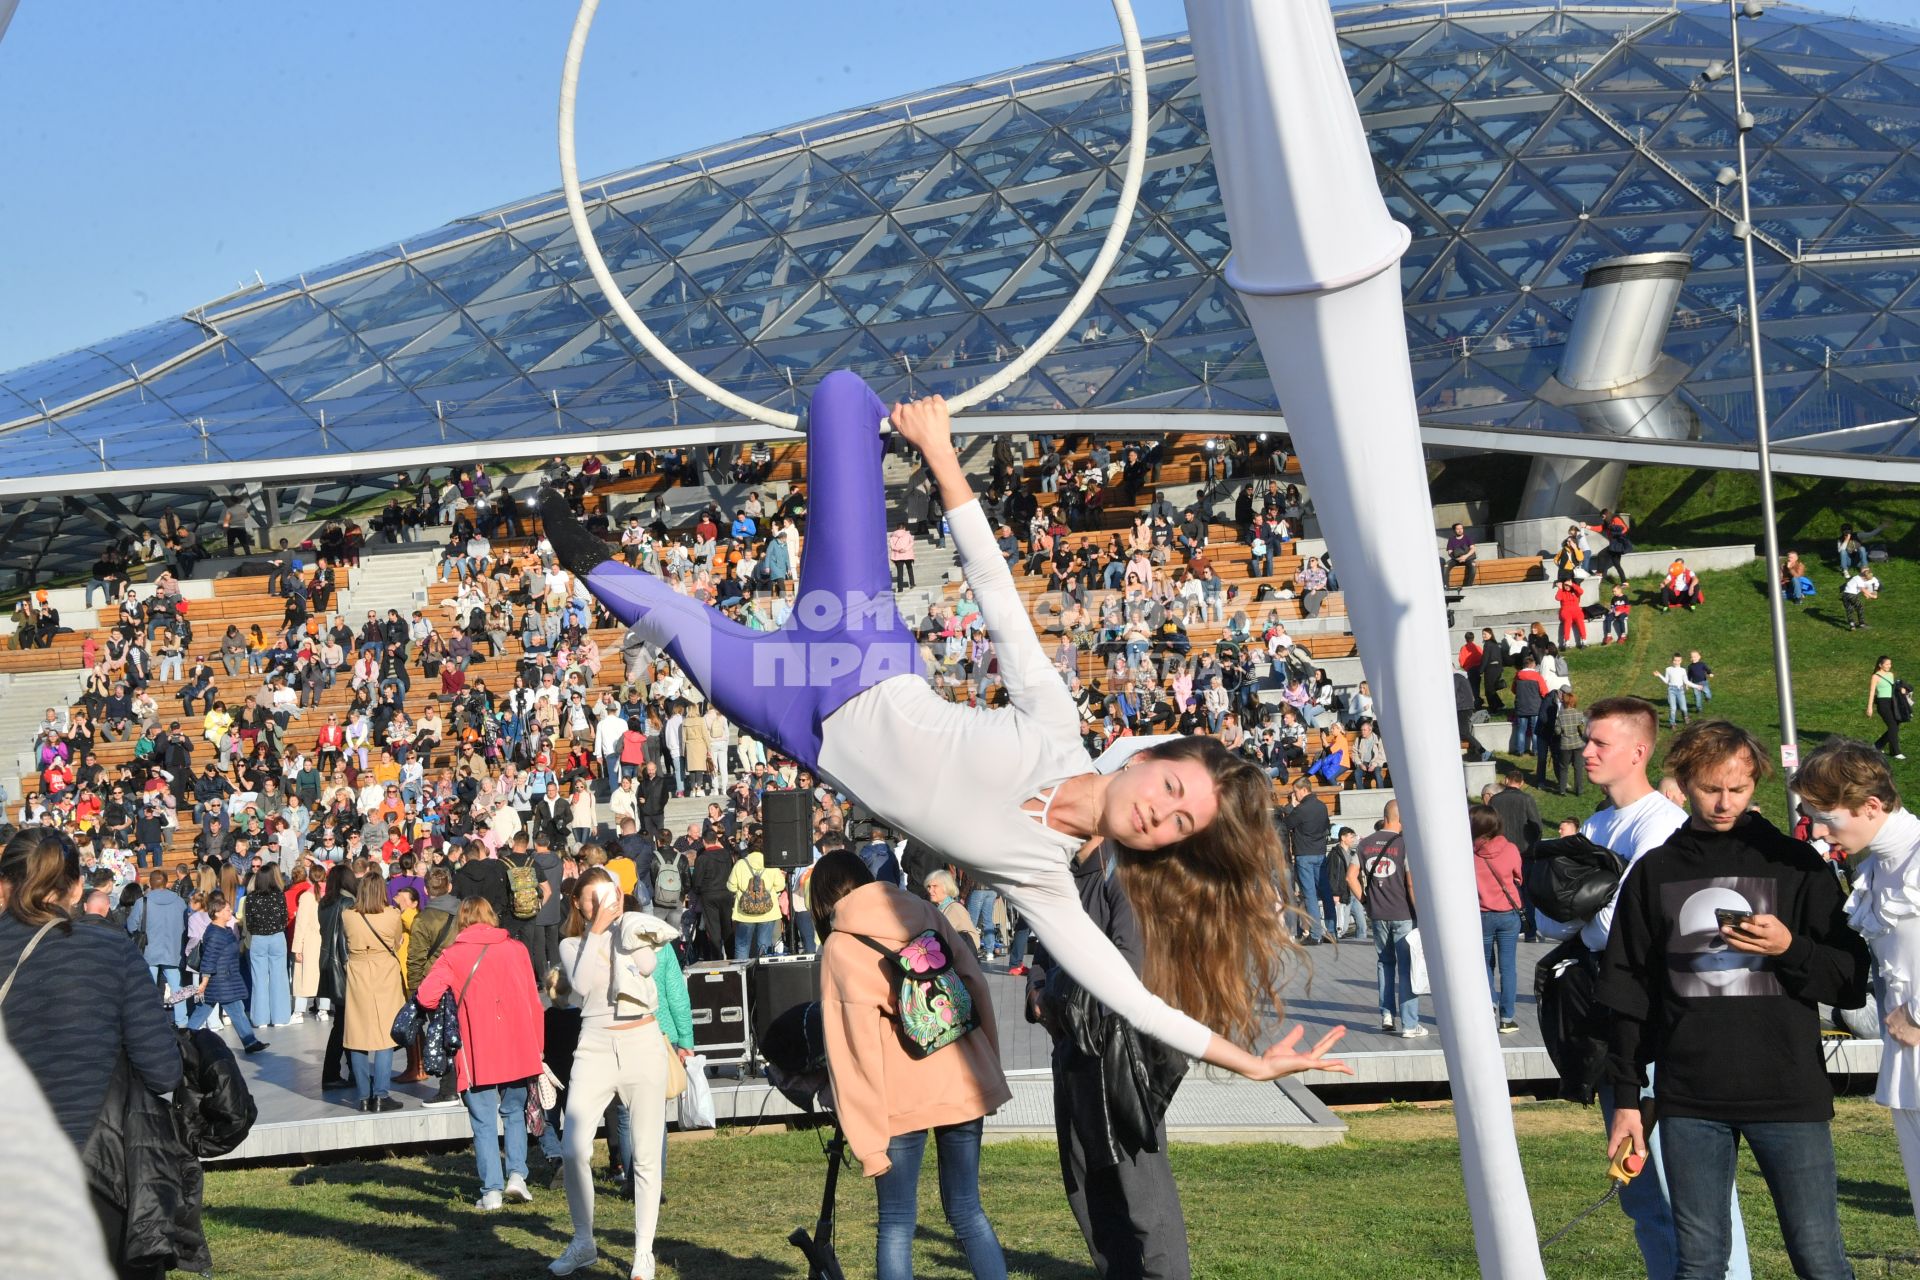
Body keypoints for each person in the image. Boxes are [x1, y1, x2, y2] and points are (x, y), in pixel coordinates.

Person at [544, 382, 1346, 1083]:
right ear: (1147, 760)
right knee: (840, 396)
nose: (1158, 816)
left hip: (799, 723)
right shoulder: (1056, 728)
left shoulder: (1045, 883)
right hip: (857, 649)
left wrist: (1250, 1060)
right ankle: (873, 423)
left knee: (673, 629)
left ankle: (584, 556)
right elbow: (995, 591)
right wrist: (937, 451)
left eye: (1179, 826)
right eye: (1170, 791)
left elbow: (1130, 996)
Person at [1599, 721, 1868, 1280]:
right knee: (1698, 1263)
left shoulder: (1795, 865)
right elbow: (1628, 990)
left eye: (1738, 789)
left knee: (1819, 1258)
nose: (1724, 803)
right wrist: (1628, 1097)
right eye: (1710, 788)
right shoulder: (1655, 872)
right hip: (1690, 1101)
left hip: (1788, 1092)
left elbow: (1847, 979)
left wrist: (1789, 947)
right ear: (1684, 780)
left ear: (1756, 785)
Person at [1547, 697, 1753, 1279]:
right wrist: (1582, 908)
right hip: (1610, 1020)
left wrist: (1582, 906)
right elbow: (1553, 919)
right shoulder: (1596, 825)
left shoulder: (1659, 824)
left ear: (1638, 752)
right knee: (1640, 1190)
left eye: (1599, 744)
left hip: (1658, 1029)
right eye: (1587, 741)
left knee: (1689, 1193)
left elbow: (1627, 930)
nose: (1585, 751)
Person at [0, 828, 197, 1273]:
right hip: (97, 1170)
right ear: (74, 887)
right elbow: (163, 1070)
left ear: (5, 883)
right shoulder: (109, 947)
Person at [812, 851, 1011, 1280]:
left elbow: (852, 1051)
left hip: (899, 1096)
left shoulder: (839, 947)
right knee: (968, 1211)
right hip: (962, 1078)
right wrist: (988, 1065)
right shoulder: (922, 909)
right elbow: (974, 981)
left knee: (897, 1224)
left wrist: (866, 1140)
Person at [1028, 832, 1192, 1279]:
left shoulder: (1128, 874)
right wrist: (1036, 991)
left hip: (1125, 1060)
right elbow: (1039, 952)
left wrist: (1054, 996)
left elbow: (1127, 970)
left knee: (1144, 1199)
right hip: (1072, 1052)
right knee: (1087, 1191)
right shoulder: (1057, 880)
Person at [1793, 739, 1920, 1231]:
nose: (1821, 834)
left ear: (1871, 805)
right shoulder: (1876, 865)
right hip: (1905, 1054)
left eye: (1828, 819)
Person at [549, 869, 681, 1278]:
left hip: (642, 1040)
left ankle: (644, 1250)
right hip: (595, 1045)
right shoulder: (572, 943)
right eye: (592, 899)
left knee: (645, 1153)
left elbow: (646, 964)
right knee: (574, 1148)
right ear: (578, 903)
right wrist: (599, 929)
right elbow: (584, 985)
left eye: (607, 896)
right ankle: (583, 1241)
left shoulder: (633, 929)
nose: (600, 905)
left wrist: (623, 922)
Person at [416, 896, 545, 1209]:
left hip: (476, 1051)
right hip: (518, 1047)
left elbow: (426, 996)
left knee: (484, 1121)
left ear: (462, 919)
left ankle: (491, 1192)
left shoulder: (453, 955)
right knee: (514, 1113)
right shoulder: (517, 949)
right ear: (491, 916)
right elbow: (534, 1001)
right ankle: (517, 1176)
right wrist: (537, 1048)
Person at [1348, 801, 1420, 1037]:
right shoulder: (1404, 844)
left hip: (1378, 914)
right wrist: (1418, 911)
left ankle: (1387, 1015)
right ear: (1402, 818)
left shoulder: (1365, 844)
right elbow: (1410, 882)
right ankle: (1410, 1024)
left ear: (1384, 816)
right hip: (1402, 913)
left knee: (1384, 963)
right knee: (1407, 967)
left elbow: (1351, 878)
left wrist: (1367, 903)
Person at [342, 874, 407, 1113]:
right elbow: (397, 942)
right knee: (383, 1035)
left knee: (357, 1035)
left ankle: (363, 1096)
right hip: (384, 972)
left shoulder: (348, 915)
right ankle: (380, 1094)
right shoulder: (392, 914)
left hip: (358, 971)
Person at [187, 893, 270, 1054]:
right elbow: (209, 959)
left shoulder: (222, 930)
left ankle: (186, 1038)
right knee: (231, 1009)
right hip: (221, 981)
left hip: (225, 979)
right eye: (226, 909)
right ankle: (249, 1042)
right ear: (217, 913)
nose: (230, 911)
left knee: (211, 1010)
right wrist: (204, 982)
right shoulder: (216, 934)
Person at [1470, 804, 1523, 1035]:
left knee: (1484, 965)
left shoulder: (1468, 852)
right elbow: (1518, 877)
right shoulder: (1510, 848)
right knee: (1508, 967)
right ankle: (1507, 1018)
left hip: (1481, 915)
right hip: (1508, 914)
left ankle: (1489, 1002)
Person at [126, 866, 191, 1028]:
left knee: (148, 989)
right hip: (173, 949)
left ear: (150, 883)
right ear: (167, 883)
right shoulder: (179, 901)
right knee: (177, 987)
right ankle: (182, 1021)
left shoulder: (143, 902)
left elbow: (131, 925)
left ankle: (149, 1021)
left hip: (149, 950)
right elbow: (186, 924)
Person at [243, 865, 292, 1030]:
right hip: (277, 937)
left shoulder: (250, 898)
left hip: (258, 939)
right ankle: (280, 1017)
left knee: (259, 979)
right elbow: (284, 917)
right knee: (279, 977)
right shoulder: (279, 896)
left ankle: (260, 1019)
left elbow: (248, 922)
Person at [726, 841, 786, 961]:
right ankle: (762, 976)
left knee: (742, 946)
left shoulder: (740, 864)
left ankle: (743, 976)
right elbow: (780, 886)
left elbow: (731, 887)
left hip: (745, 913)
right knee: (763, 945)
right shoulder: (771, 864)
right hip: (768, 912)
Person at [1869, 655, 1905, 761]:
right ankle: (1895, 752)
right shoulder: (1875, 676)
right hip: (1882, 703)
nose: (1889, 666)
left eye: (1890, 664)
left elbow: (1893, 689)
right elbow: (1872, 692)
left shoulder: (1891, 674)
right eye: (1887, 664)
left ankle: (1877, 746)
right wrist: (1870, 707)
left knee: (1895, 726)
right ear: (1880, 665)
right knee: (1893, 726)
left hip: (1892, 702)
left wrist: (1901, 689)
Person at [1655, 654, 1698, 729]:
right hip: (1671, 690)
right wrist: (1659, 675)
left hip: (1680, 691)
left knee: (1684, 708)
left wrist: (1697, 686)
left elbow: (1686, 682)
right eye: (1675, 660)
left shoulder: (1683, 670)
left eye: (1678, 660)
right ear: (1672, 661)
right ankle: (1672, 724)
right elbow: (1666, 681)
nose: (1676, 662)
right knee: (1673, 708)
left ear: (1681, 661)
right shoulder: (1668, 669)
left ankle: (1686, 717)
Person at [1842, 565, 1880, 631]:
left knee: (1849, 609)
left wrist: (1867, 596)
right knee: (1860, 607)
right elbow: (1863, 590)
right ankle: (1861, 624)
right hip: (1852, 595)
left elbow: (1863, 591)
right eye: (1866, 579)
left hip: (1845, 595)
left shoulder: (1856, 577)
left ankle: (1852, 625)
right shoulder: (1859, 579)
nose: (1866, 580)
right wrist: (1872, 596)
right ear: (1863, 576)